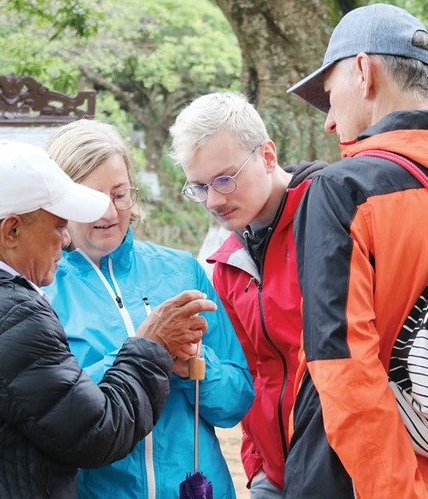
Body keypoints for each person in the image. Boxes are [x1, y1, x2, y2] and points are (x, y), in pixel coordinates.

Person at [0, 140, 215, 497]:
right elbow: (97, 433)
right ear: (11, 231)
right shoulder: (8, 315)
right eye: (58, 225)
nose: (65, 239)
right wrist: (150, 346)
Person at [284, 4, 428, 498]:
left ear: (363, 71)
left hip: (355, 482)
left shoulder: (343, 190)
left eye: (329, 96)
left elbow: (344, 366)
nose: (329, 123)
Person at [43, 119, 254, 498]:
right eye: (92, 199)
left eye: (120, 194)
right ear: (60, 201)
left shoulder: (180, 269)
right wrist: (147, 351)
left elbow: (236, 403)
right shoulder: (42, 291)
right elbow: (54, 411)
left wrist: (194, 367)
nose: (109, 213)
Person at [169, 92, 326, 497]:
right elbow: (252, 374)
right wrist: (257, 467)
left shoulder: (332, 221)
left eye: (224, 179)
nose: (214, 201)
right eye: (199, 187)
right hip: (272, 477)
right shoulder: (226, 265)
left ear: (268, 156)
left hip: (342, 474)